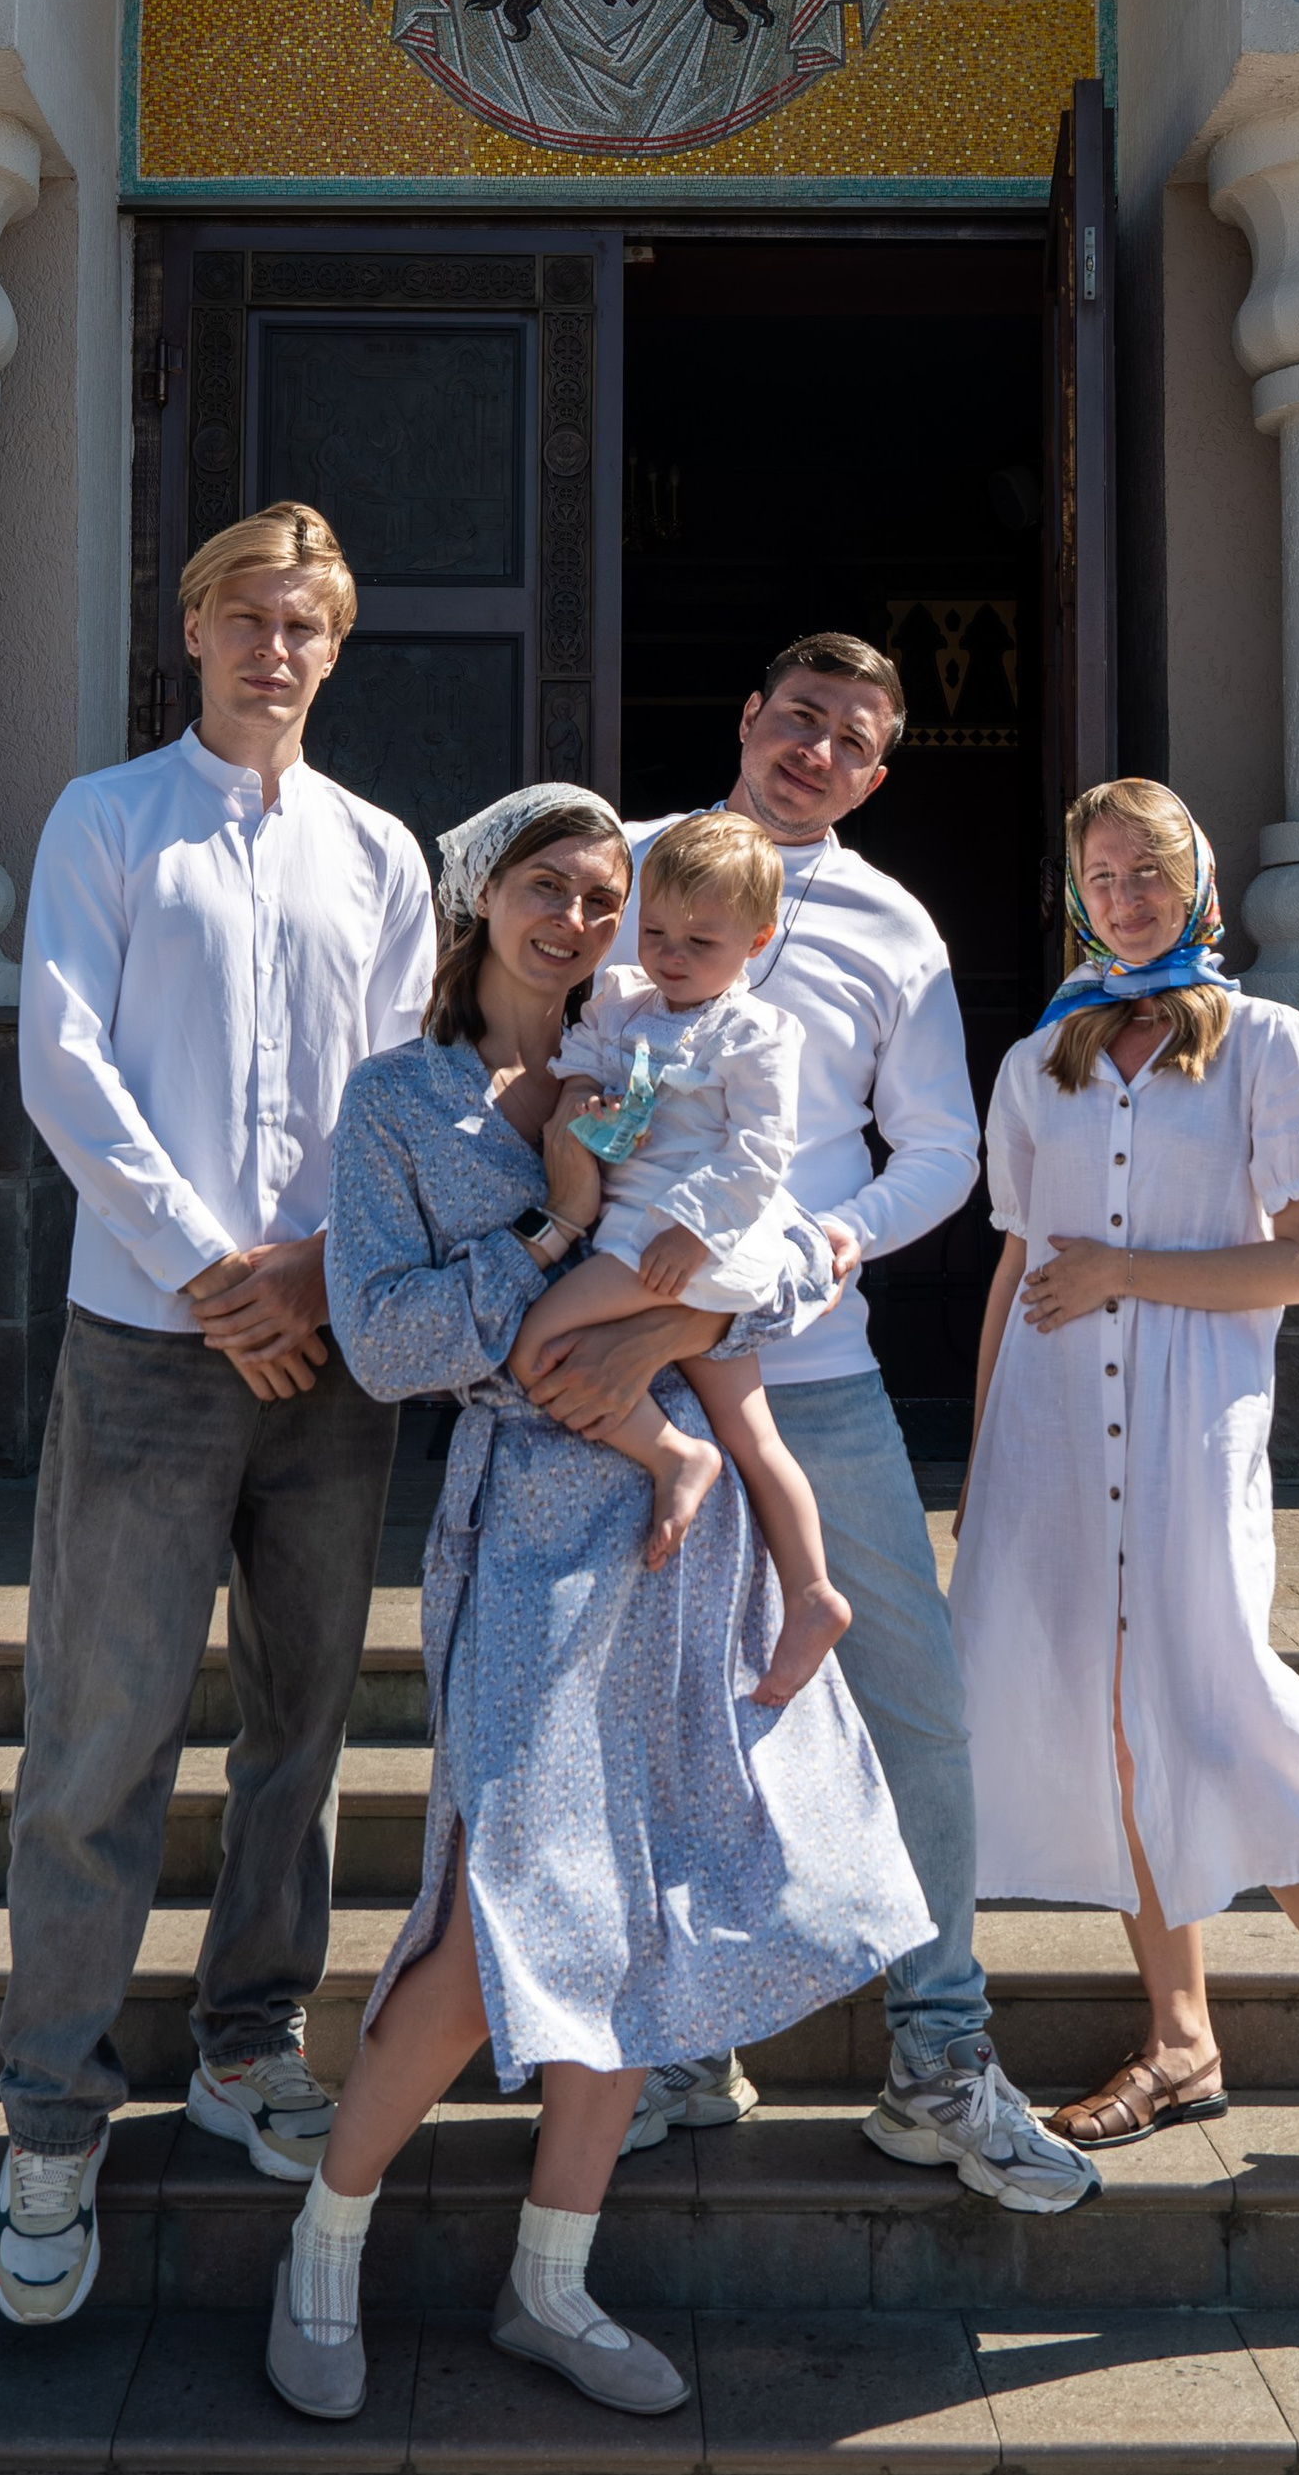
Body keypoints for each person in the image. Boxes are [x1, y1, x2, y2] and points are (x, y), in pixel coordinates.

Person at [280, 783, 932, 2426]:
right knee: (485, 1908)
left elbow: (785, 1251)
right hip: (523, 1537)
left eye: (602, 892)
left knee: (642, 1910)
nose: (579, 920)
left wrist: (647, 1330)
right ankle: (324, 2244)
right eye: (549, 890)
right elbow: (384, 1340)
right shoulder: (399, 1103)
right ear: (481, 900)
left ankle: (552, 2283)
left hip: (679, 1538)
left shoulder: (668, 1039)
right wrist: (559, 1256)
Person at [520, 631, 1093, 2215]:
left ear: (880, 770)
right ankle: (681, 2050)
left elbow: (938, 1155)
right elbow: (528, 1061)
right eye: (798, 719)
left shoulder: (889, 922)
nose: (818, 751)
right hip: (618, 1356)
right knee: (647, 1704)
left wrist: (824, 1244)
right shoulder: (617, 868)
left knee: (908, 1698)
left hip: (811, 1365)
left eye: (853, 737)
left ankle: (940, 2054)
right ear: (748, 719)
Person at [0, 503, 436, 2327]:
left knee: (300, 1728)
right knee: (98, 1738)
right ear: (195, 630)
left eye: (306, 622)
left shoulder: (380, 851)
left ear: (337, 649)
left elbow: (411, 1090)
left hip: (329, 1355)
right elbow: (65, 1063)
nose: (276, 647)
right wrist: (208, 1272)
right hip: (153, 1348)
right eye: (248, 615)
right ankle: (50, 2115)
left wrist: (317, 1275)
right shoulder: (108, 818)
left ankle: (251, 2043)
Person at [951, 775, 1299, 2221]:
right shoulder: (1041, 1061)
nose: (1127, 895)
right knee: (1116, 1729)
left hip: (1195, 1437)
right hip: (1052, 1444)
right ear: (1079, 896)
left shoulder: (1265, 1043)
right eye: (1104, 874)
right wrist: (988, 1466)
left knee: (1235, 1715)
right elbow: (1017, 1261)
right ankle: (1181, 2039)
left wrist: (1128, 1273)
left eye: (1151, 870)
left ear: (1199, 886)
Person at [514, 806, 852, 1703]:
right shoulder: (627, 997)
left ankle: (672, 1455)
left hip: (676, 1241)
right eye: (657, 931)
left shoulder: (756, 1035)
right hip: (633, 1227)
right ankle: (813, 1591)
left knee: (532, 1344)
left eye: (700, 940)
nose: (670, 954)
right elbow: (580, 1054)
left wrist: (692, 1229)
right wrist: (584, 1091)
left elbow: (762, 1152)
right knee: (753, 1429)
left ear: (757, 938)